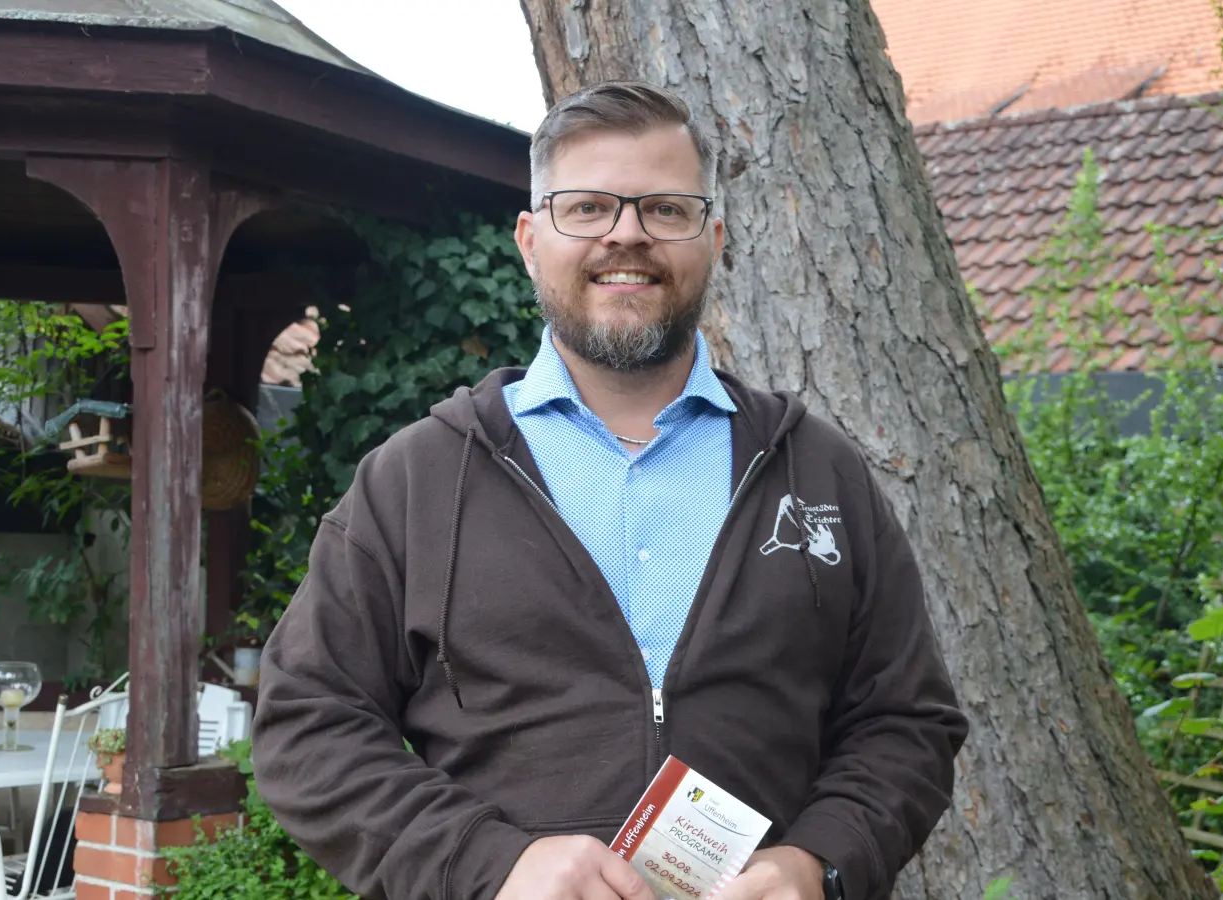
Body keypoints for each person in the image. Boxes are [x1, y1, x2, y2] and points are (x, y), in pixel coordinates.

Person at [253, 81, 968, 900]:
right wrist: (493, 864)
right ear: (530, 239)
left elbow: (908, 722)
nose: (626, 235)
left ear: (714, 238)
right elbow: (309, 724)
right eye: (587, 207)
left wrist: (817, 863)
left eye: (665, 209)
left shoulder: (816, 470)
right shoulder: (415, 480)